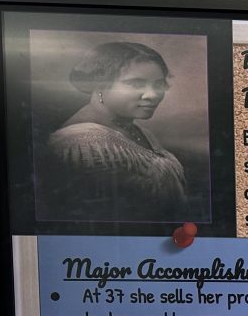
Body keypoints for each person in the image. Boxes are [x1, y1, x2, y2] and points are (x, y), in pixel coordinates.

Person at [37, 41, 187, 221]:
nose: (153, 94)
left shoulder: (139, 131)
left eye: (159, 84)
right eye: (136, 84)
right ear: (99, 84)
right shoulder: (81, 145)